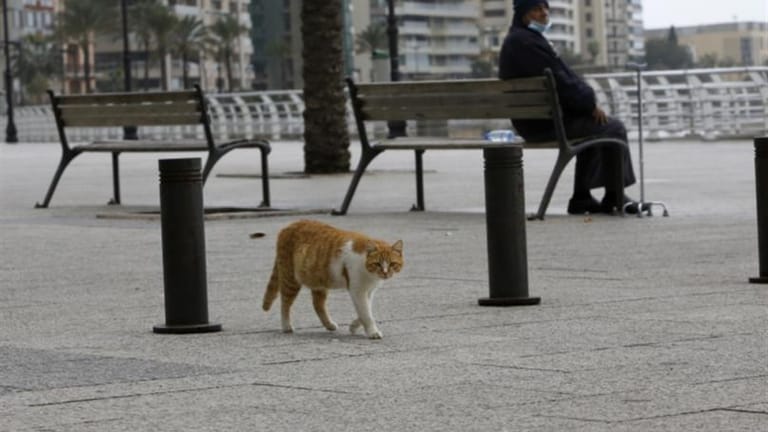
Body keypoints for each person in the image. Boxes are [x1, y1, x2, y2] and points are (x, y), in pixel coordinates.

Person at [499, 0, 647, 214]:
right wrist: (589, 104)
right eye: (537, 9)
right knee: (613, 128)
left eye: (545, 7)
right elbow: (561, 81)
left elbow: (563, 78)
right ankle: (614, 196)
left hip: (532, 121)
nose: (544, 13)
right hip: (543, 125)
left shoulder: (521, 40)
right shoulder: (527, 43)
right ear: (523, 14)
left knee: (594, 128)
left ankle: (582, 198)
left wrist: (585, 102)